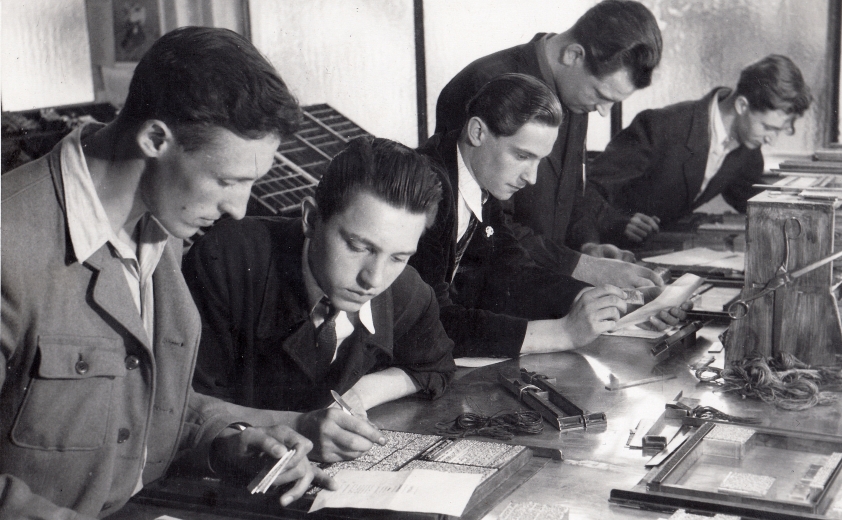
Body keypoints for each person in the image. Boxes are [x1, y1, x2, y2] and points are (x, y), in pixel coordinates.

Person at [0, 27, 334, 518]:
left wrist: (226, 440)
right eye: (226, 180)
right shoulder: (9, 245)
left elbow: (135, 403)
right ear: (155, 139)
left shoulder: (163, 222)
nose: (239, 209)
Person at [184, 136, 456, 460]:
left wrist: (357, 395)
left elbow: (434, 367)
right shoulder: (227, 259)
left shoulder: (407, 291)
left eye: (398, 257)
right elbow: (182, 406)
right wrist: (299, 425)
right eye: (358, 247)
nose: (374, 279)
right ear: (311, 218)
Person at [410, 73, 686, 359]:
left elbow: (512, 272)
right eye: (522, 156)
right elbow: (429, 322)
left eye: (539, 160)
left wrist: (606, 302)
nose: (531, 178)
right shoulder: (422, 188)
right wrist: (563, 333)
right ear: (478, 132)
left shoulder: (479, 178)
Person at [434, 0, 662, 275]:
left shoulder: (574, 91)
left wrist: (588, 247)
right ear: (574, 55)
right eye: (601, 95)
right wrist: (580, 266)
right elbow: (485, 226)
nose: (604, 111)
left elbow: (571, 193)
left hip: (541, 278)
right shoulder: (487, 83)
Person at [589, 55, 812, 244]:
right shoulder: (661, 126)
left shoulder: (748, 151)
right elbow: (588, 189)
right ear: (742, 105)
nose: (771, 140)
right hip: (603, 244)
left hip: (658, 248)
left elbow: (751, 198)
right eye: (768, 127)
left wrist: (802, 208)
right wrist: (618, 222)